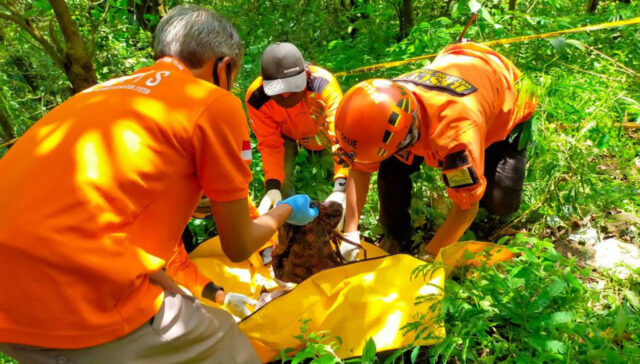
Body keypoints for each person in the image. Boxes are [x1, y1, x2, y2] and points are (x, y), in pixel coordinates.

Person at [0, 5, 318, 364]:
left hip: (9, 307)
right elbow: (238, 244)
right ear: (224, 67)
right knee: (229, 344)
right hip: (77, 296)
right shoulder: (213, 103)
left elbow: (96, 219)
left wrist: (191, 294)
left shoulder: (98, 94)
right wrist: (288, 208)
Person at [334, 42, 537, 258]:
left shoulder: (456, 132)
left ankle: (482, 209)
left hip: (505, 100)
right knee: (391, 168)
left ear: (406, 135)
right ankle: (395, 233)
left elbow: (466, 207)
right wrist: (351, 232)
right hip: (457, 74)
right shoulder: (386, 101)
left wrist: (430, 257)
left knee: (500, 201)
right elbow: (360, 168)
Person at [245, 42, 349, 220]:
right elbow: (270, 144)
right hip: (286, 135)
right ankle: (290, 222)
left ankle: (336, 217)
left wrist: (342, 185)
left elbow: (340, 138)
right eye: (279, 91)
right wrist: (273, 186)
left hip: (321, 134)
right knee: (282, 183)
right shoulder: (257, 99)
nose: (286, 96)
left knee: (333, 178)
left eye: (292, 88)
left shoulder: (323, 85)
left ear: (306, 74)